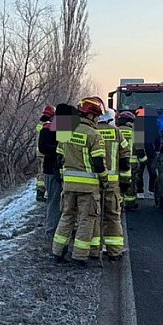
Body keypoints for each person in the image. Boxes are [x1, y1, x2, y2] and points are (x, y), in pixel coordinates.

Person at [51, 99, 108, 265]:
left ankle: (57, 252)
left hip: (68, 185)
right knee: (86, 220)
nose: (97, 120)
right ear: (90, 115)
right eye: (96, 116)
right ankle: (79, 256)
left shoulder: (66, 131)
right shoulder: (94, 135)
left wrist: (63, 177)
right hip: (88, 188)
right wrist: (104, 180)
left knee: (67, 216)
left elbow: (59, 158)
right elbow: (98, 163)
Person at [93, 108, 132, 260]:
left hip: (93, 182)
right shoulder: (116, 132)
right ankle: (114, 251)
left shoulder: (91, 131)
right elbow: (125, 159)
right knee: (113, 216)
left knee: (93, 216)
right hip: (112, 183)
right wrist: (125, 181)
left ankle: (94, 250)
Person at [37, 105, 62, 238]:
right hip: (52, 169)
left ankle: (55, 229)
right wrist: (58, 149)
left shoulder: (52, 128)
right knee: (54, 201)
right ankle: (51, 231)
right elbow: (43, 148)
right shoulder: (47, 129)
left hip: (53, 168)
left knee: (57, 201)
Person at [117, 110, 148, 209]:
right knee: (130, 184)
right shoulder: (136, 132)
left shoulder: (115, 131)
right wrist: (144, 161)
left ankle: (118, 203)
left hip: (116, 163)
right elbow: (140, 151)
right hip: (131, 165)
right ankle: (130, 204)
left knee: (117, 183)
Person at [34, 110, 51, 202]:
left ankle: (40, 192)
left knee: (40, 173)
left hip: (38, 153)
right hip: (44, 153)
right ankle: (40, 194)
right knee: (42, 174)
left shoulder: (39, 125)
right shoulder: (47, 125)